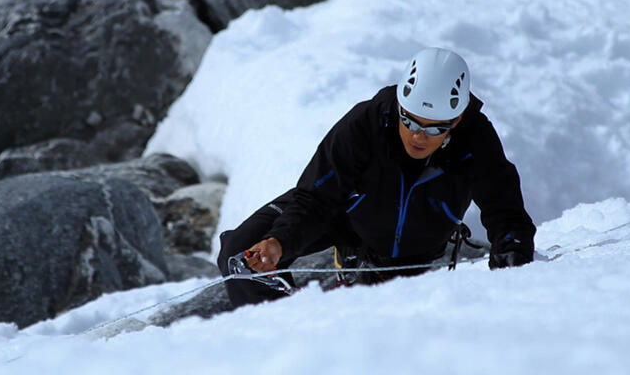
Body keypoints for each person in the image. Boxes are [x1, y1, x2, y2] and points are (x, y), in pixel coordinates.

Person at [217, 47, 536, 307]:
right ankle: (281, 336)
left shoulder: (475, 137)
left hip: (419, 244)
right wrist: (279, 243)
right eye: (409, 120)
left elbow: (504, 206)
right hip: (350, 220)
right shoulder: (365, 124)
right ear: (399, 104)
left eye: (435, 127)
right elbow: (316, 197)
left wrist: (512, 248)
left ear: (457, 119)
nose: (418, 137)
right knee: (239, 252)